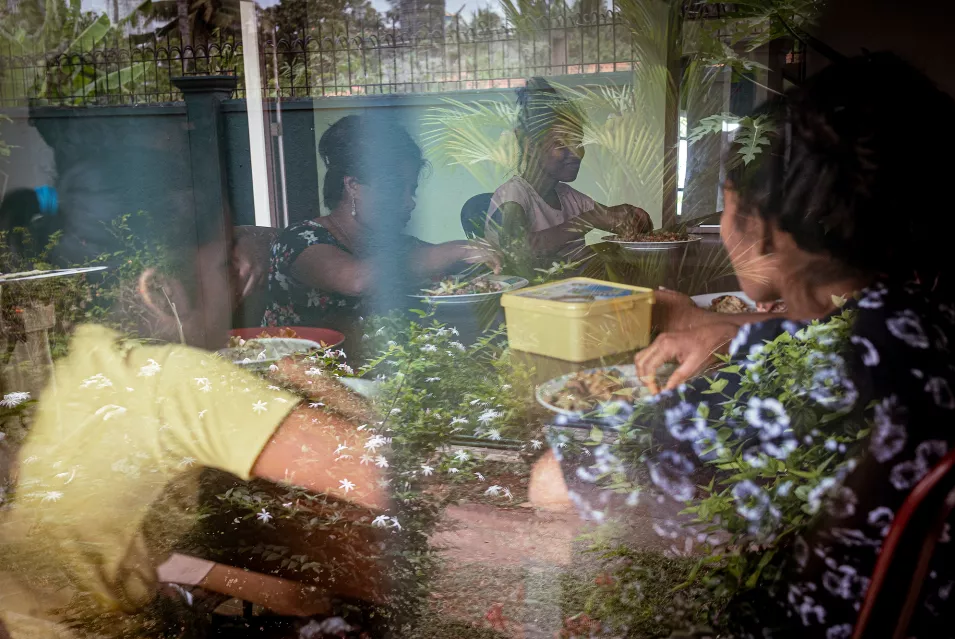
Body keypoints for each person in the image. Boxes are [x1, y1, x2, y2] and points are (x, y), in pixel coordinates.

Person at [530, 52, 955, 637]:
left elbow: (557, 486)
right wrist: (732, 332)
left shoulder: (805, 371)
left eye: (728, 198)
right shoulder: (925, 315)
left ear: (759, 221)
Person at [0, 164, 393, 638]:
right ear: (160, 291)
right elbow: (382, 475)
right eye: (227, 262)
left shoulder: (88, 358)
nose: (246, 273)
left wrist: (272, 591)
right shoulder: (179, 379)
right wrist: (320, 384)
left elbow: (129, 547)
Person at [262, 115, 499, 333]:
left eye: (412, 190)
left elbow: (459, 273)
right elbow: (357, 280)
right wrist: (458, 249)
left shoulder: (400, 245)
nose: (409, 202)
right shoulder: (299, 239)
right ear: (353, 185)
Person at [485, 77, 653, 260]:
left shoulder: (568, 197)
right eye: (561, 143)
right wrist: (588, 220)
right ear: (531, 146)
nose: (576, 153)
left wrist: (630, 216)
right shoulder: (513, 194)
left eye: (578, 142)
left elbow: (615, 220)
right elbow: (516, 250)